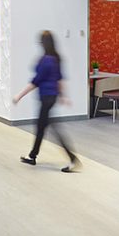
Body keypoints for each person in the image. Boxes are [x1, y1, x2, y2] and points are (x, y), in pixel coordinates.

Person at [13, 31, 80, 173]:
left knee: (52, 128)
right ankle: (32, 156)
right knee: (41, 127)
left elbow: (36, 82)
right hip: (52, 97)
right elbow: (60, 79)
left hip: (47, 97)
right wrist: (63, 96)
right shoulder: (56, 58)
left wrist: (19, 95)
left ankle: (73, 159)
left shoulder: (46, 60)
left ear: (44, 43)